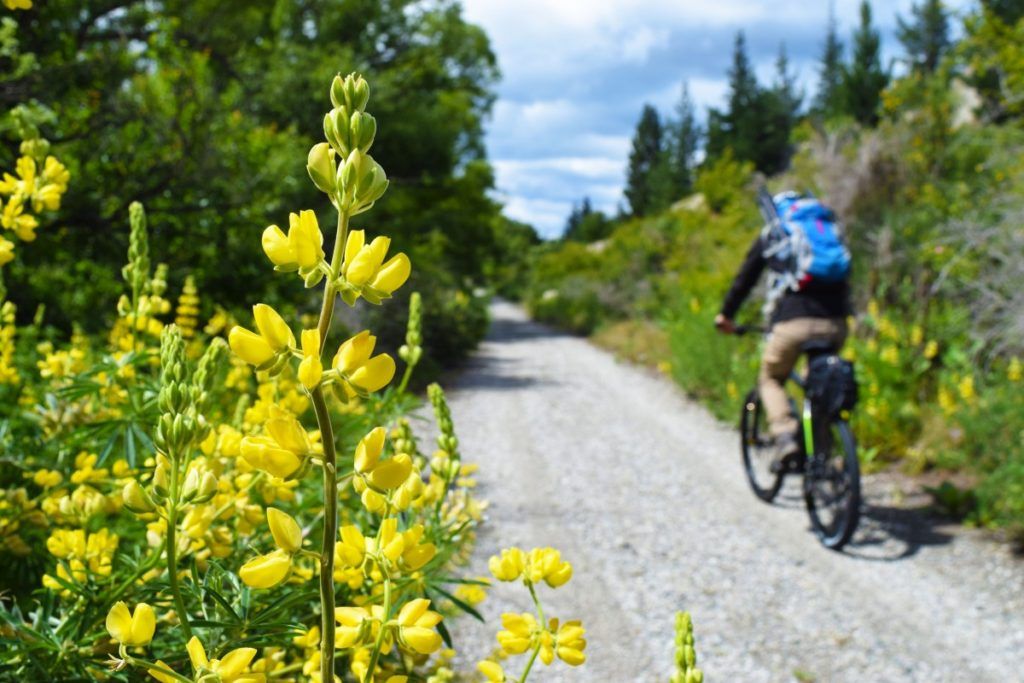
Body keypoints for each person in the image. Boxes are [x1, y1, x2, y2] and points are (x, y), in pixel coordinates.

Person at [714, 192, 851, 462]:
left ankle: (786, 437)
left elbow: (745, 280)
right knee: (819, 384)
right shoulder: (828, 232)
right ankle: (821, 448)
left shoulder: (777, 234)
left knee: (771, 378)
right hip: (837, 323)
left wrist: (725, 315)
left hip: (793, 323)